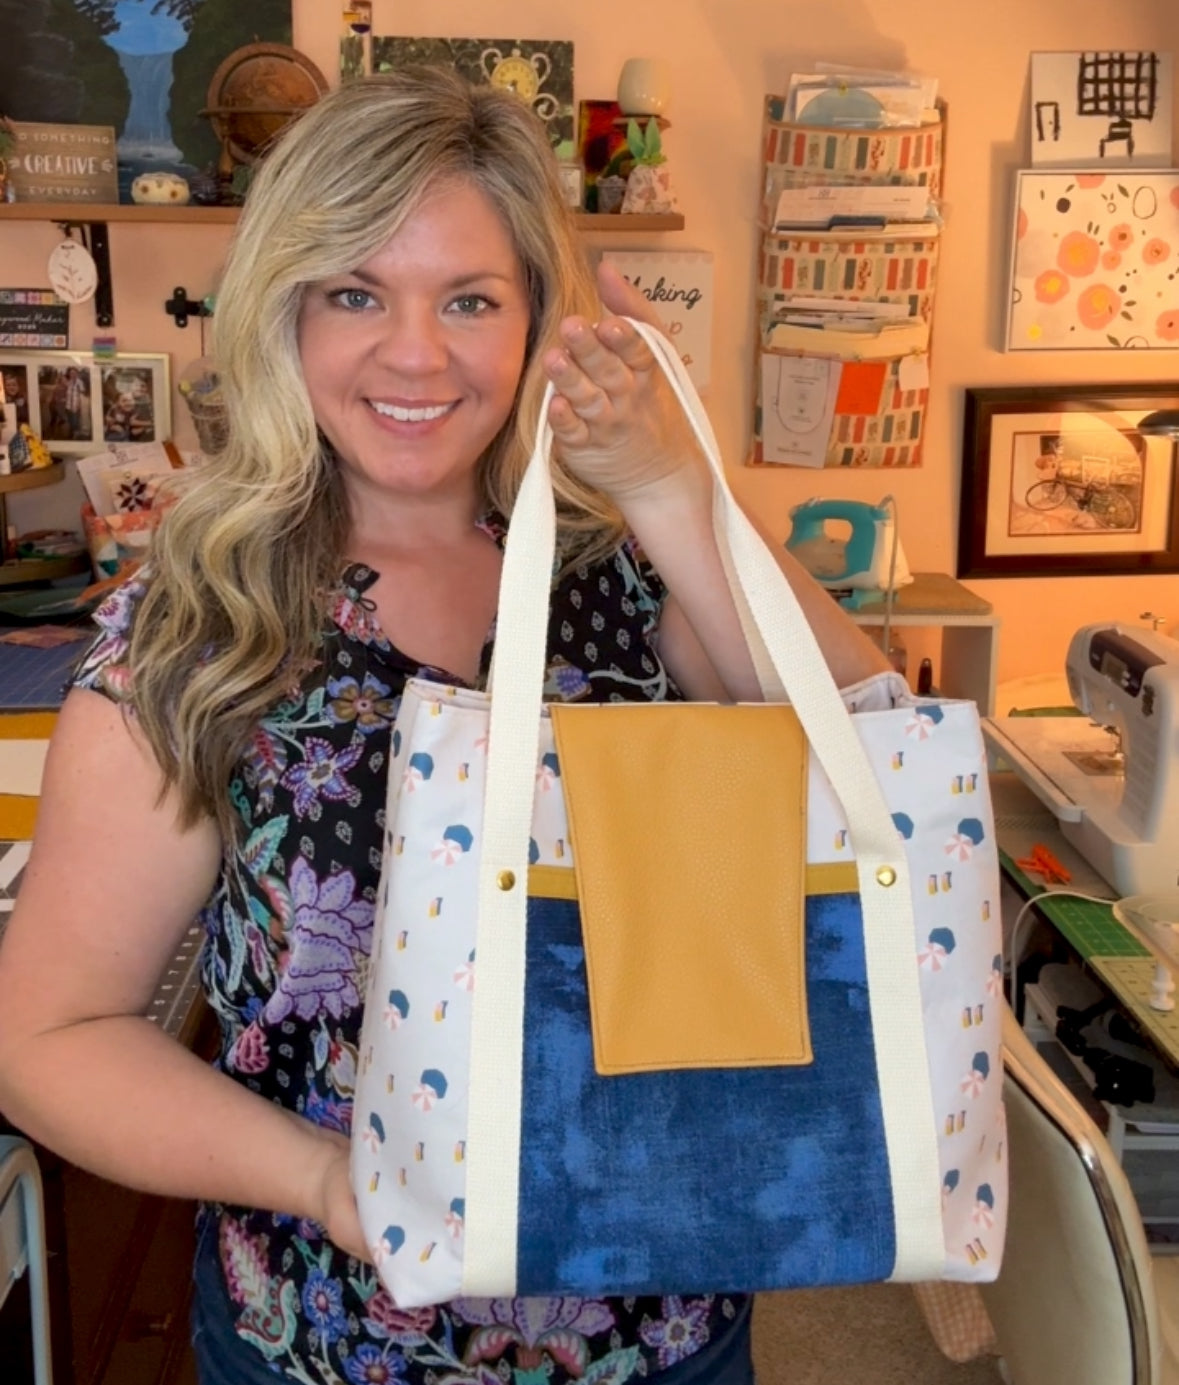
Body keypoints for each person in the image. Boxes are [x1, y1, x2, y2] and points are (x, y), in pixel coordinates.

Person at [0, 68, 889, 1385]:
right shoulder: (201, 629)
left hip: (669, 1328)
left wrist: (672, 487)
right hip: (336, 1341)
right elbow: (46, 1039)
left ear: (536, 320)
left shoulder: (624, 571)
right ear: (285, 312)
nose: (416, 354)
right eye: (356, 293)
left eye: (469, 299)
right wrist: (327, 1178)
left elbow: (880, 763)